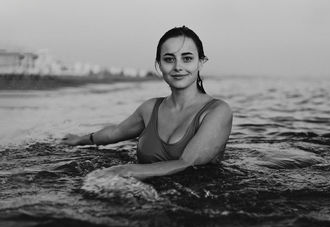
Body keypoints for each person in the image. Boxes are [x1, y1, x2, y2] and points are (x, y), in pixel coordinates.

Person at [62, 26, 232, 181]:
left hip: (198, 203)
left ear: (201, 62)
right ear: (159, 64)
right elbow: (115, 132)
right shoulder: (150, 108)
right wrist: (79, 140)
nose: (178, 67)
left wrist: (125, 170)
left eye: (187, 58)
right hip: (146, 201)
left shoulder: (217, 111)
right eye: (169, 59)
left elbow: (187, 163)